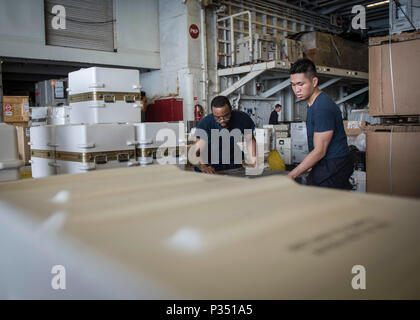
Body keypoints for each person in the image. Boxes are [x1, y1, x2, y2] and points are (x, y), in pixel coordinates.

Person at [287, 58, 353, 189]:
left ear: (314, 81)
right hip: (327, 163)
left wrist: (291, 175)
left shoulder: (322, 107)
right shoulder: (313, 104)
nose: (296, 90)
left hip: (334, 165)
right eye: (293, 84)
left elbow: (320, 151)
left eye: (301, 84)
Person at [192, 95, 257, 174]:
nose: (222, 120)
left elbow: (250, 140)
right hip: (210, 167)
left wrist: (253, 160)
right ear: (213, 113)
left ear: (231, 109)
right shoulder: (205, 124)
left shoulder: (242, 118)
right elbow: (196, 152)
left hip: (233, 165)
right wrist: (203, 167)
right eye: (217, 117)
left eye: (226, 116)